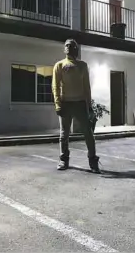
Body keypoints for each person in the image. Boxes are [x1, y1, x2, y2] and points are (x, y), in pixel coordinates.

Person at [52, 39, 100, 173]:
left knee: (88, 133)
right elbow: (55, 86)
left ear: (76, 49)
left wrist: (89, 106)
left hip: (80, 104)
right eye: (66, 45)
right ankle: (63, 160)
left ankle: (93, 161)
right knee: (63, 135)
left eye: (71, 45)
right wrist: (58, 104)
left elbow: (87, 87)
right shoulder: (59, 65)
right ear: (64, 49)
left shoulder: (82, 65)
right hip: (65, 104)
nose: (68, 47)